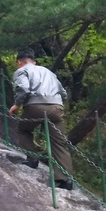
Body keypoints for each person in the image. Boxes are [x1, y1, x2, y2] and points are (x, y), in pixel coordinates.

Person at [8, 49, 74, 190]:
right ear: (34, 62)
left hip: (35, 105)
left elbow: (24, 89)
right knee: (60, 142)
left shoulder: (21, 71)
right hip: (57, 107)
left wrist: (17, 105)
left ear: (19, 63)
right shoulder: (49, 72)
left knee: (23, 130)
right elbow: (63, 93)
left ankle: (32, 159)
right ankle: (65, 179)